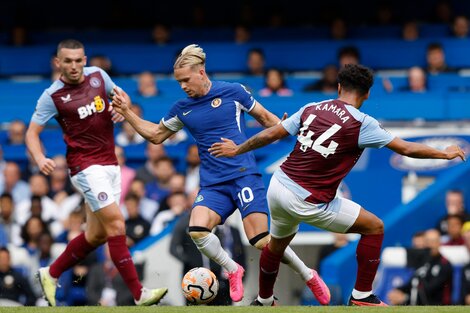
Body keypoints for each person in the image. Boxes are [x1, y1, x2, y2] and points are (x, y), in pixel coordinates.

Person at [209, 64, 466, 306]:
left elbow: (273, 133)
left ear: (339, 87)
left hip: (278, 185)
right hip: (307, 199)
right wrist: (444, 153)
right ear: (366, 93)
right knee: (374, 227)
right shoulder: (362, 123)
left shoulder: (312, 107)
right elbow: (407, 148)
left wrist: (238, 148)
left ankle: (264, 300)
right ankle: (362, 296)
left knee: (276, 245)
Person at [111, 44, 330, 304]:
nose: (182, 85)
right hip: (213, 184)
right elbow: (156, 135)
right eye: (178, 81)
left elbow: (266, 118)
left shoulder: (233, 91)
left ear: (201, 72)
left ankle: (308, 274)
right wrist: (126, 113)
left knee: (261, 241)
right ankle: (232, 268)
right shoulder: (183, 108)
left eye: (186, 79)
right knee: (197, 230)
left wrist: (285, 127)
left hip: (243, 175)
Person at [24, 39, 167, 307]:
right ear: (58, 63)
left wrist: (121, 108)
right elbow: (32, 132)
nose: (74, 66)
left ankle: (51, 273)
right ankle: (139, 293)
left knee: (97, 236)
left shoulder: (99, 76)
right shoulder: (52, 96)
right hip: (85, 168)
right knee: (117, 224)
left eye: (79, 60)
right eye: (68, 61)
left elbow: (122, 98)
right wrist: (40, 156)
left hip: (111, 163)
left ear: (85, 59)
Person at [387, 229, 453, 305]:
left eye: (433, 241)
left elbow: (430, 290)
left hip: (437, 305)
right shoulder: (424, 262)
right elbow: (412, 282)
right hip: (421, 303)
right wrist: (398, 291)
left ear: (439, 243)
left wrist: (405, 298)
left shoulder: (444, 264)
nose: (430, 245)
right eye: (427, 242)